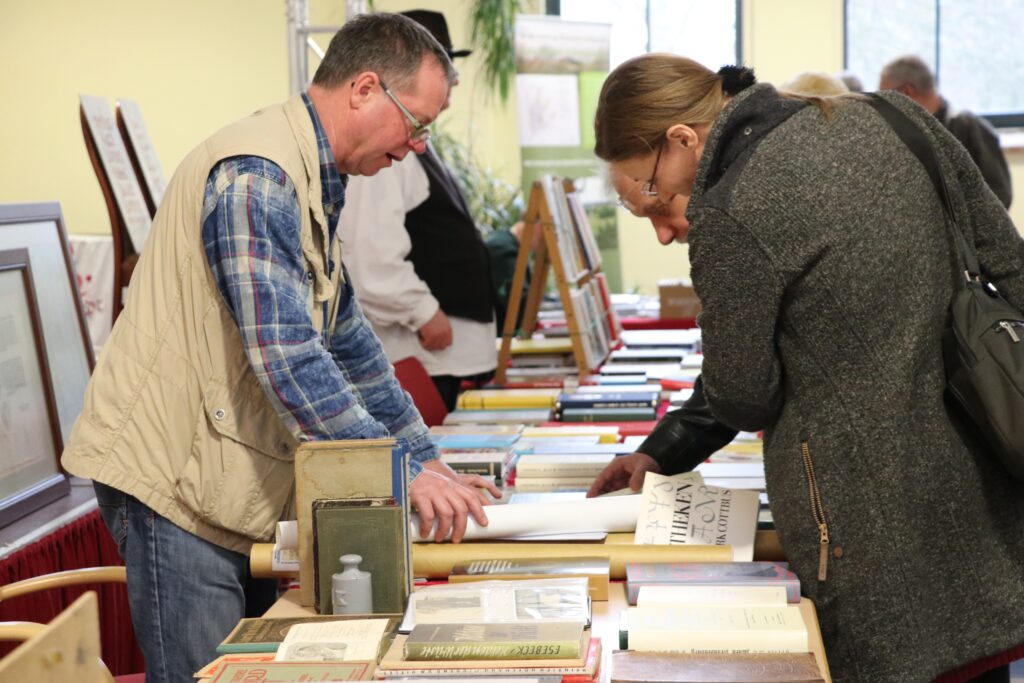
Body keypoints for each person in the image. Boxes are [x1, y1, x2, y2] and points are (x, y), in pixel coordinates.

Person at [61, 13, 498, 681]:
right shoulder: (257, 174)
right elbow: (289, 355)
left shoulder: (315, 174)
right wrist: (401, 474)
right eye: (416, 125)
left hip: (226, 479)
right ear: (364, 88)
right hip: (177, 486)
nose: (415, 148)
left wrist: (427, 459)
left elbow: (351, 346)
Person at [589, 54, 1024, 682]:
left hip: (867, 527)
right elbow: (1008, 264)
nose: (662, 229)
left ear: (682, 140)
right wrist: (669, 447)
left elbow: (743, 395)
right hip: (985, 482)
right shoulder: (893, 115)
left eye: (653, 194)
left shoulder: (733, 207)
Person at [340, 10, 497, 412]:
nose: (453, 81)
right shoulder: (386, 151)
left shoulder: (417, 144)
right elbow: (370, 255)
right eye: (441, 68)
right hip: (427, 356)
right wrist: (424, 312)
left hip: (450, 358)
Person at [880, 54, 1012, 207]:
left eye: (884, 97)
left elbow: (999, 196)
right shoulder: (899, 133)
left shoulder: (969, 129)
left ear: (906, 92)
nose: (882, 107)